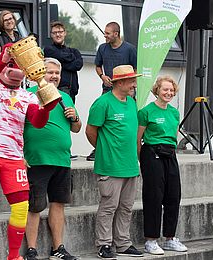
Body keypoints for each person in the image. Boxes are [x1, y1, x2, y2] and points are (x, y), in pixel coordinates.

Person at [0, 44, 59, 260]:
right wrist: (2, 59)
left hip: (14, 157)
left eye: (19, 69)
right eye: (11, 66)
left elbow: (37, 122)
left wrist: (46, 108)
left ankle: (14, 256)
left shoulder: (28, 96)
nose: (16, 73)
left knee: (20, 208)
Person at [23, 58, 81, 260]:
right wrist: (20, 155)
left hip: (62, 160)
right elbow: (15, 127)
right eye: (50, 72)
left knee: (58, 204)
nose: (54, 76)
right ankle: (31, 249)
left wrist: (75, 117)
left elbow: (76, 128)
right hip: (37, 159)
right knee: (35, 206)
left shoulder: (65, 96)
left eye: (57, 73)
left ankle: (58, 248)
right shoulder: (28, 95)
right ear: (40, 73)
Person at [85, 65, 143, 259]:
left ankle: (123, 243)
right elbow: (90, 132)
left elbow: (133, 134)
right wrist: (105, 150)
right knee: (108, 207)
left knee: (126, 207)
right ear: (120, 82)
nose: (135, 84)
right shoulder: (102, 103)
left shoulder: (132, 102)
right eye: (132, 80)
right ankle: (104, 244)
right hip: (110, 165)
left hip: (130, 165)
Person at [137, 76, 187, 255]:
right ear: (157, 90)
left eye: (172, 90)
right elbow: (138, 139)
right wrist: (142, 161)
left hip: (170, 154)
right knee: (153, 196)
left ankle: (170, 238)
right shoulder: (146, 112)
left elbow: (173, 135)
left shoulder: (174, 112)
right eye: (165, 89)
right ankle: (151, 240)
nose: (169, 93)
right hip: (151, 153)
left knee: (174, 195)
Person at [87, 21, 137, 161]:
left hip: (126, 92)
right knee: (105, 120)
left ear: (116, 34)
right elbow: (98, 66)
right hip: (107, 89)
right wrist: (102, 76)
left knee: (125, 121)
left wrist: (132, 86)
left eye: (108, 33)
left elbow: (136, 69)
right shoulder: (102, 48)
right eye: (105, 33)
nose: (105, 35)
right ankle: (100, 149)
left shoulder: (130, 49)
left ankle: (127, 149)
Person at [43, 21, 83, 104]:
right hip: (56, 89)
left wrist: (62, 63)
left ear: (65, 33)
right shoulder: (49, 50)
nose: (58, 35)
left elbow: (78, 65)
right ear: (51, 35)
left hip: (72, 91)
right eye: (54, 33)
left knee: (70, 114)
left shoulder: (74, 51)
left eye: (60, 32)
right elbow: (61, 56)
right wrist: (71, 58)